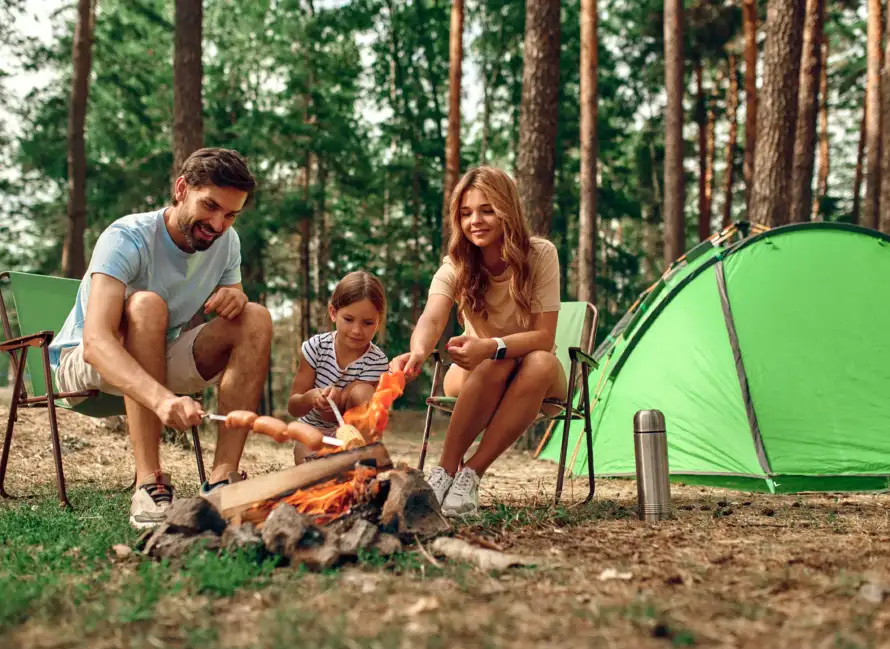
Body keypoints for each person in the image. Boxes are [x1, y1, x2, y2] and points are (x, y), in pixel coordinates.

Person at [49, 147, 273, 529]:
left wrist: (235, 297)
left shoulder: (227, 242)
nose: (218, 225)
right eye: (210, 206)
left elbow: (232, 306)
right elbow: (96, 342)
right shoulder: (127, 237)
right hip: (85, 363)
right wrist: (162, 399)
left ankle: (222, 481)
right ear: (182, 188)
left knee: (255, 317)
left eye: (231, 214)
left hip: (161, 354)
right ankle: (148, 483)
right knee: (147, 306)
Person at [390, 166, 566, 516]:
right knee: (493, 362)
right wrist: (418, 352)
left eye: (487, 210)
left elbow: (544, 339)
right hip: (478, 374)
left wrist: (492, 345)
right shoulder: (457, 263)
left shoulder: (540, 255)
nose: (476, 221)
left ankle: (471, 473)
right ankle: (444, 471)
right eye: (466, 213)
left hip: (536, 377)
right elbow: (433, 317)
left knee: (537, 360)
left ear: (507, 210)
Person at [287, 271, 389, 459]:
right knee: (311, 471)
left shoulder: (377, 361)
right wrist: (311, 398)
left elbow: (362, 411)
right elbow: (293, 407)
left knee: (364, 393)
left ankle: (364, 459)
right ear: (333, 313)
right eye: (348, 320)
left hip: (351, 435)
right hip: (313, 431)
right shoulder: (316, 347)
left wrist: (341, 396)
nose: (357, 330)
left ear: (379, 322)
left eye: (367, 323)